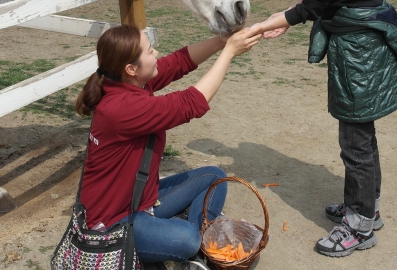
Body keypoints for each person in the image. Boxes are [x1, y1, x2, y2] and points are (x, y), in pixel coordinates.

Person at [251, 0, 397, 258]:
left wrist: (273, 21)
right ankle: (365, 207)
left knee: (355, 139)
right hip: (357, 41)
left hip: (358, 49)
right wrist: (290, 16)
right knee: (360, 134)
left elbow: (315, 3)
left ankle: (359, 225)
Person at [75, 24, 261, 264]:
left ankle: (185, 237)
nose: (156, 53)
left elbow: (179, 62)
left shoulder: (131, 82)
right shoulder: (122, 108)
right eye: (150, 51)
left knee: (214, 177)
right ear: (131, 69)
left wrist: (221, 41)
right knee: (187, 239)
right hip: (115, 222)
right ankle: (189, 240)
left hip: (140, 200)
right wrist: (229, 53)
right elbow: (190, 103)